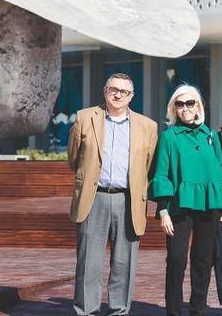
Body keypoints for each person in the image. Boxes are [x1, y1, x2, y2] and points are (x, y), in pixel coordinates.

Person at [68, 73, 159, 316]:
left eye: (124, 92)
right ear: (104, 90)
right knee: (89, 262)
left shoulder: (148, 126)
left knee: (123, 262)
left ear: (132, 97)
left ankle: (119, 311)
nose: (118, 95)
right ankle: (86, 311)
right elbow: (74, 158)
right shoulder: (85, 118)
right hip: (94, 197)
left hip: (128, 200)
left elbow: (149, 166)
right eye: (113, 90)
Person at [150, 84, 222, 316]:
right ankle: (173, 311)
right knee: (176, 260)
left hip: (209, 206)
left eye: (190, 103)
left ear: (198, 106)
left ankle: (197, 310)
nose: (185, 108)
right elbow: (161, 173)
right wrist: (163, 210)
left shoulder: (211, 136)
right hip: (179, 205)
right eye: (180, 104)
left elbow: (219, 171)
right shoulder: (168, 137)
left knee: (203, 260)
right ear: (173, 108)